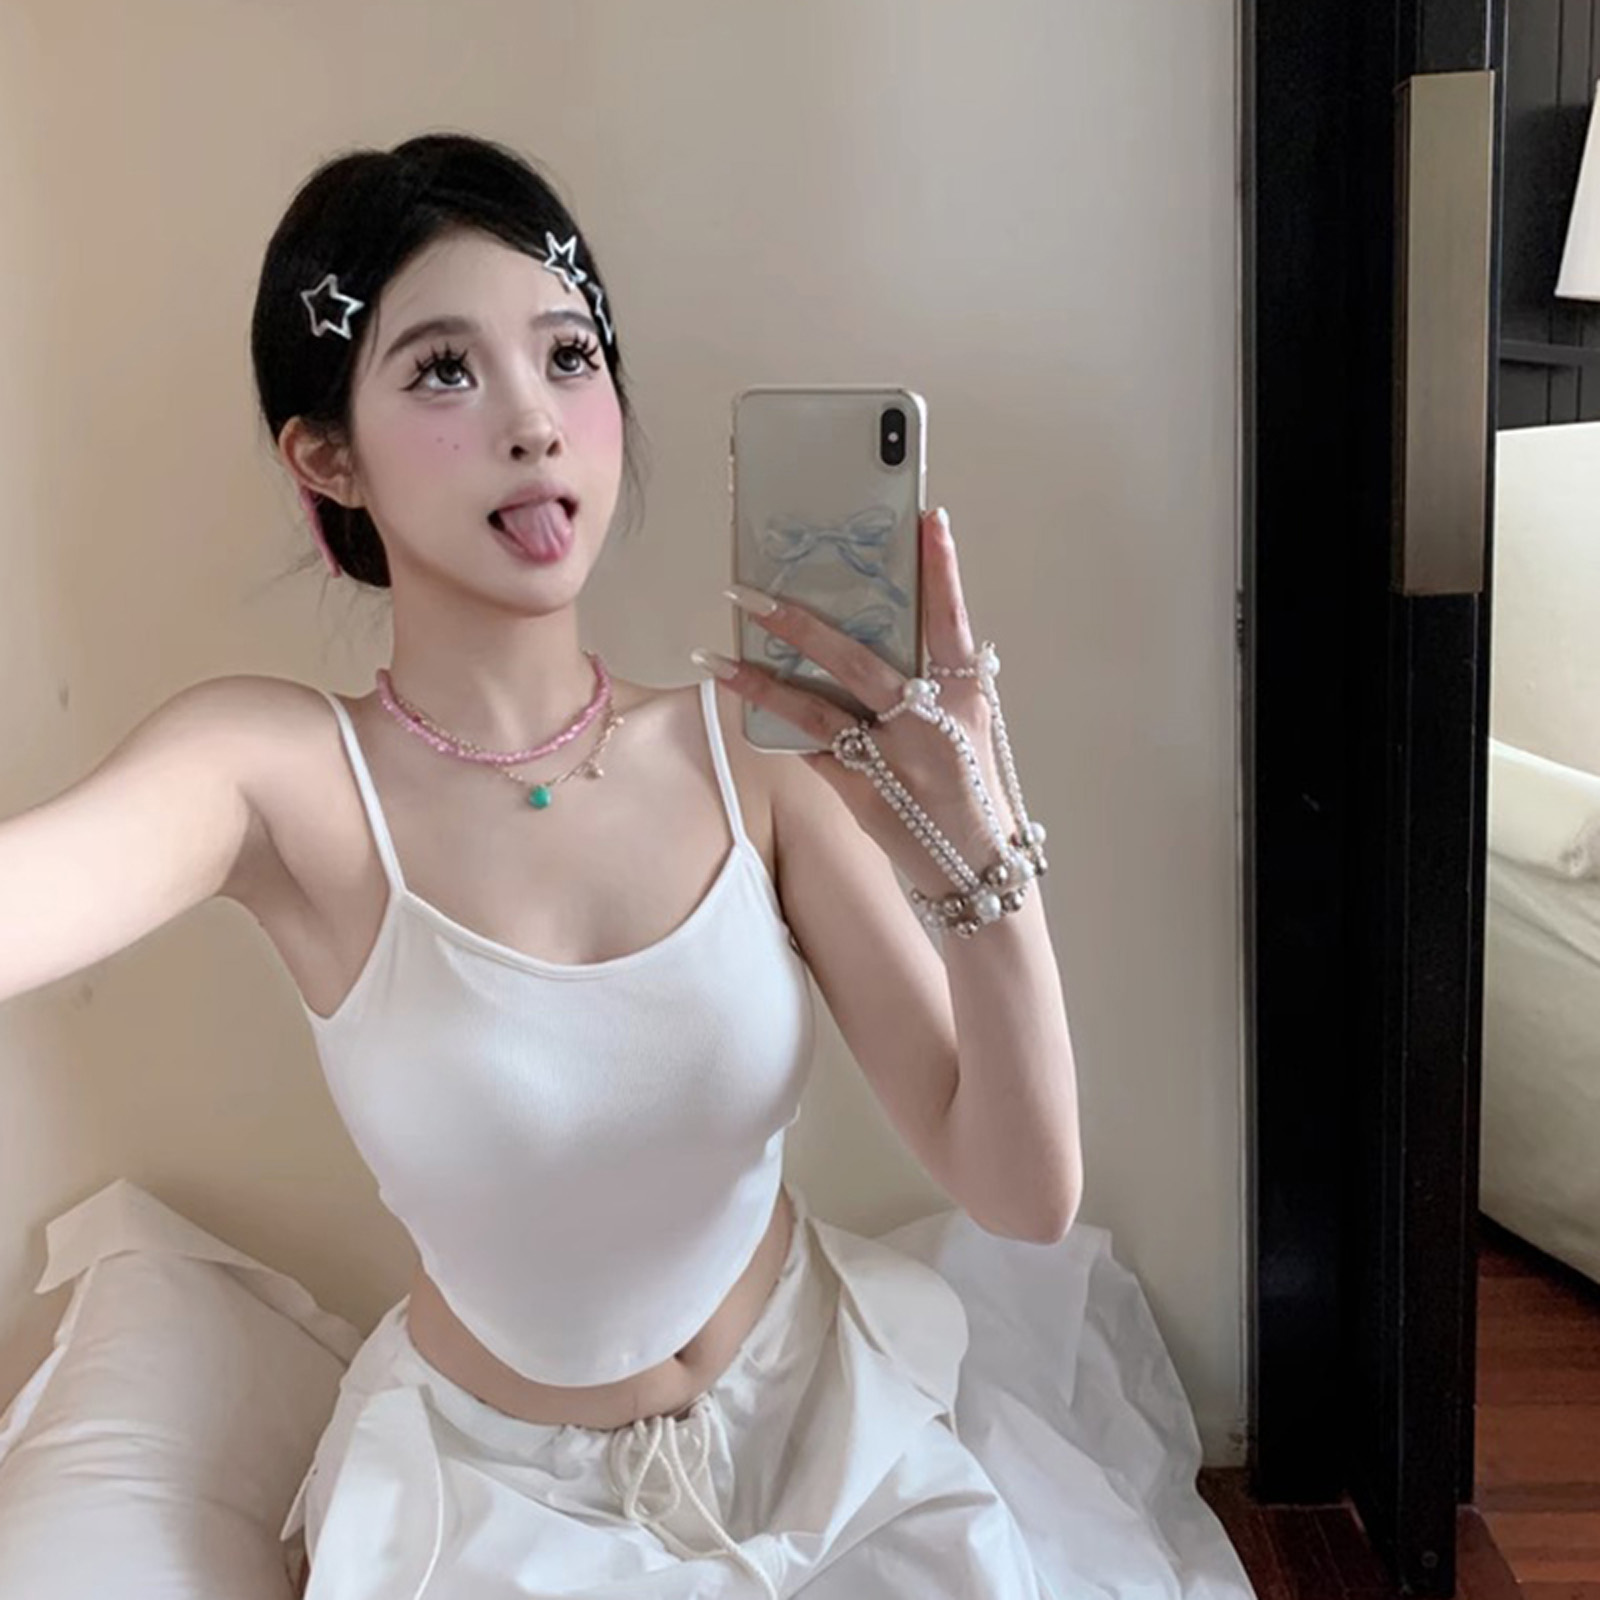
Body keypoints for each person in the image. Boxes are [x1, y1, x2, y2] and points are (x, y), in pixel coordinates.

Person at [0, 132, 1082, 1598]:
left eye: (570, 356)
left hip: (820, 1447)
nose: (533, 420)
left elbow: (1021, 1194)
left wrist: (983, 849)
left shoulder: (755, 751)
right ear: (327, 455)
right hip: (499, 1512)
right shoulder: (282, 780)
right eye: (445, 369)